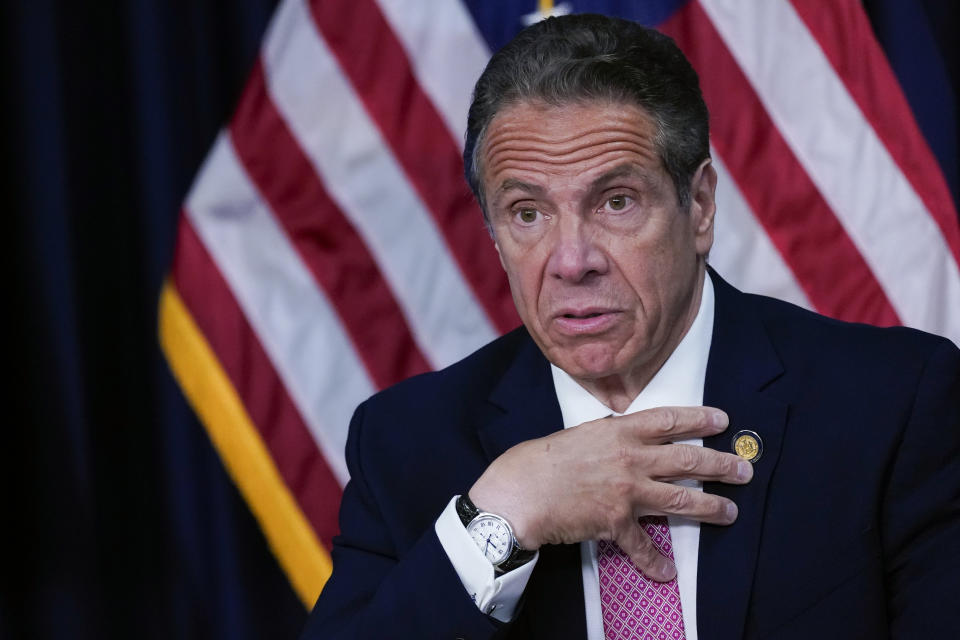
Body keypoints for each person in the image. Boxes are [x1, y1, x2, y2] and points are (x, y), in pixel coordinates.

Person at [301, 14, 960, 639]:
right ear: (494, 235)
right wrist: (505, 513)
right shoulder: (405, 444)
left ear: (699, 205)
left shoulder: (891, 407)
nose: (571, 262)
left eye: (616, 202)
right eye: (527, 213)